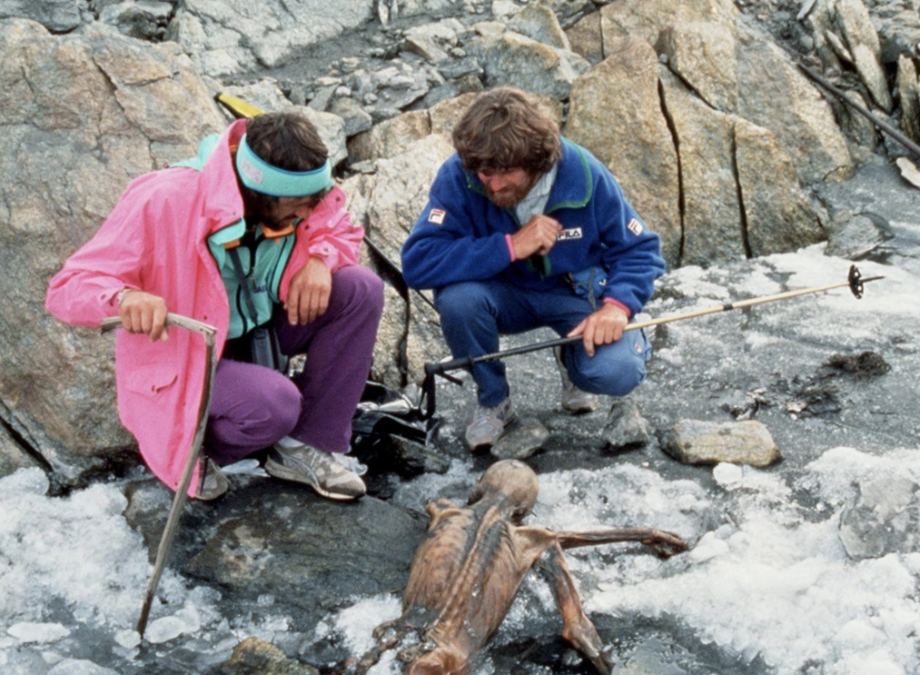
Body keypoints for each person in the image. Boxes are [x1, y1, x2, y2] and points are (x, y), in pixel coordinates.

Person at [46, 111, 383, 501]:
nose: (307, 215)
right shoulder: (165, 198)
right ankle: (198, 453)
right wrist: (125, 298)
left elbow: (335, 225)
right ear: (258, 190)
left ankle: (304, 445)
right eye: (297, 205)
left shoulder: (305, 199)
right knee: (276, 403)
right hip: (187, 355)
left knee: (360, 288)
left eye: (313, 201)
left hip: (260, 331)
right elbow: (67, 287)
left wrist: (321, 260)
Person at [400, 87, 666, 451]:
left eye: (505, 172)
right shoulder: (459, 175)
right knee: (458, 302)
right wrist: (508, 247)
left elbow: (640, 249)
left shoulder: (584, 173)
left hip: (573, 293)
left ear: (537, 161)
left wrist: (617, 308)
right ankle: (494, 401)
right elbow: (417, 261)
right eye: (484, 172)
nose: (492, 184)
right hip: (500, 295)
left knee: (617, 371)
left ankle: (572, 360)